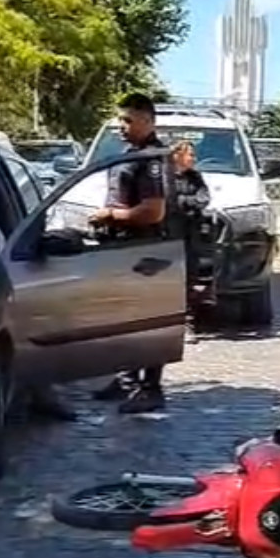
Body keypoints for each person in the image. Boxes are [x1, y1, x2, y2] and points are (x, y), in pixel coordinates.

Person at [91, 92, 169, 413]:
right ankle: (126, 379)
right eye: (119, 119)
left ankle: (150, 388)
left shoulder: (150, 159)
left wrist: (111, 215)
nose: (120, 126)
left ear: (148, 121)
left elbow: (154, 211)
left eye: (128, 120)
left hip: (145, 248)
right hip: (125, 246)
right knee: (124, 316)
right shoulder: (131, 154)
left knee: (146, 320)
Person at [170, 140, 211, 343]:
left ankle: (188, 323)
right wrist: (187, 203)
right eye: (190, 155)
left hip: (190, 236)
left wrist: (184, 202)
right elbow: (167, 202)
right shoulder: (165, 177)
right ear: (177, 156)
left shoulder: (195, 177)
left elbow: (203, 198)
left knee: (189, 280)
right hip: (169, 237)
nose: (194, 159)